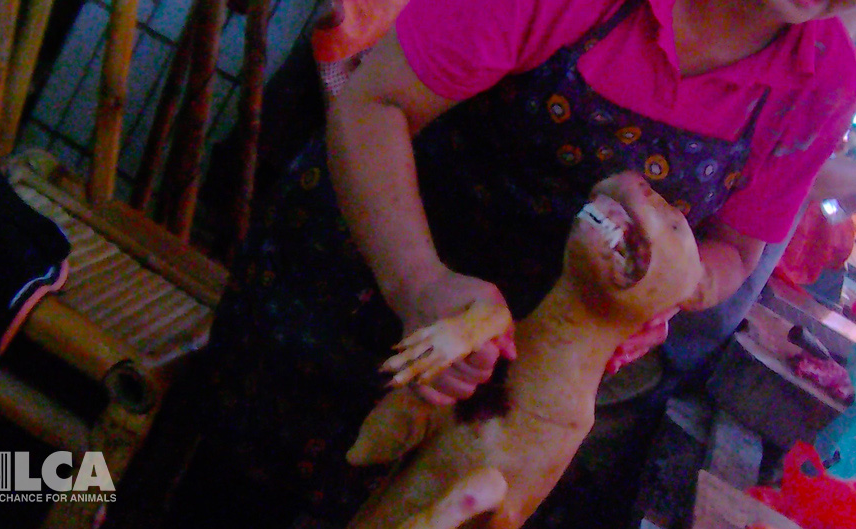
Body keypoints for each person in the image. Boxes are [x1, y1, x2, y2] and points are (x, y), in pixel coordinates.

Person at [197, 1, 856, 528]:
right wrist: (419, 281)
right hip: (353, 284)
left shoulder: (826, 74)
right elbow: (374, 103)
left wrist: (679, 282)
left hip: (516, 386)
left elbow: (738, 248)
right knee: (233, 493)